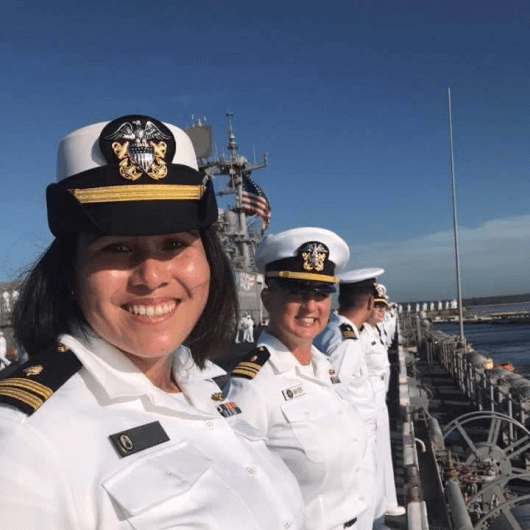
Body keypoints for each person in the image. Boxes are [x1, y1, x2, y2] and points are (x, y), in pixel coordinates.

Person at [0, 114, 305, 530]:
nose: (152, 275)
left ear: (209, 260)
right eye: (117, 247)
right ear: (70, 271)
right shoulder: (23, 443)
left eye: (174, 243)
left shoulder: (204, 384)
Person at [225, 227, 368, 530]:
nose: (310, 306)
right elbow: (235, 492)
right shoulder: (251, 387)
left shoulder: (323, 367)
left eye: (321, 294)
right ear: (267, 298)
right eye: (296, 293)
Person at [314, 268, 405, 530]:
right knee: (360, 498)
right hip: (355, 433)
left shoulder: (341, 330)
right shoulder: (346, 340)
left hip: (361, 428)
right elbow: (332, 393)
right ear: (369, 302)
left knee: (367, 492)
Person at [361, 286, 405, 519]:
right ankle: (376, 512)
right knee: (372, 458)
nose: (381, 310)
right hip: (368, 402)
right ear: (366, 306)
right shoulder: (358, 336)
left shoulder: (372, 331)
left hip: (379, 400)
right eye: (377, 306)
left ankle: (386, 501)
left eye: (383, 306)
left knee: (382, 453)